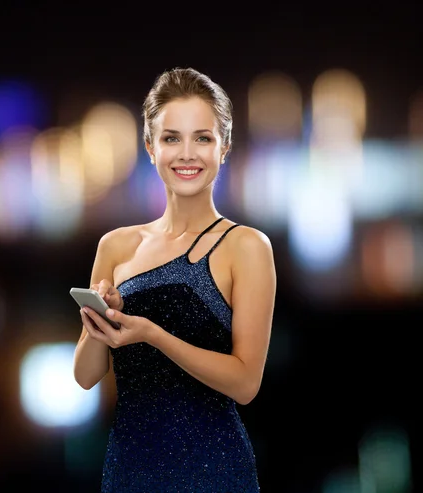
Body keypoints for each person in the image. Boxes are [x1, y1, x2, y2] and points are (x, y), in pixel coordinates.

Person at [73, 67, 276, 492]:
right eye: (171, 138)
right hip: (129, 468)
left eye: (203, 137)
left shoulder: (247, 246)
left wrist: (152, 334)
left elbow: (245, 383)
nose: (187, 153)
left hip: (214, 470)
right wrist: (100, 322)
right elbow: (86, 375)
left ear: (225, 147)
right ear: (150, 147)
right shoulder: (115, 246)